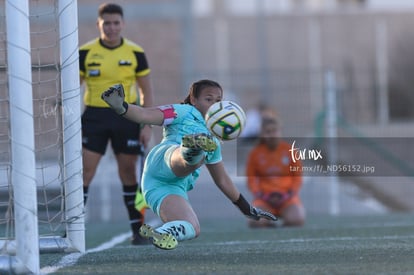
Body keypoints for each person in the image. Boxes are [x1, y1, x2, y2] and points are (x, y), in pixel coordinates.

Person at [101, 79, 277, 250]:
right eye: (209, 99)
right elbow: (146, 114)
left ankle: (162, 232)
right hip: (163, 160)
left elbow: (222, 180)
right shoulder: (183, 111)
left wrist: (247, 209)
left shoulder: (213, 140)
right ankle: (189, 147)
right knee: (195, 156)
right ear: (194, 100)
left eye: (218, 101)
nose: (214, 105)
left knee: (192, 227)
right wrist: (121, 107)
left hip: (165, 187)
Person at [79, 3, 153, 245]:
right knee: (84, 174)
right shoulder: (85, 52)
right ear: (99, 24)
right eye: (106, 23)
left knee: (129, 173)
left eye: (115, 23)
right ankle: (74, 232)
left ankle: (138, 230)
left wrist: (146, 125)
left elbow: (146, 92)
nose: (111, 28)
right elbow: (71, 88)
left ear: (123, 24)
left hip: (126, 117)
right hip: (94, 118)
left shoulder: (135, 52)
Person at [245, 113, 305, 228]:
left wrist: (290, 194)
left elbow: (297, 177)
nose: (272, 135)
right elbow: (251, 179)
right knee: (256, 222)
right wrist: (260, 194)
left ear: (280, 131)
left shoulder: (290, 150)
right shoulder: (255, 153)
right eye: (268, 132)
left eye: (274, 131)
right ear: (262, 134)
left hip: (287, 199)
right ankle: (268, 221)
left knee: (297, 220)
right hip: (264, 199)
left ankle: (284, 219)